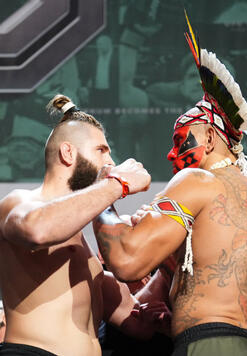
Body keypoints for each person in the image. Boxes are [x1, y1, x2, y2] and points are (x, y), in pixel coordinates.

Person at [93, 14, 247, 356]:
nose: (171, 153)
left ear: (209, 137)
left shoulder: (198, 180)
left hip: (211, 345)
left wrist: (101, 191)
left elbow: (126, 260)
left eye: (181, 140)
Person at [0, 93, 162, 356]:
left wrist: (167, 265)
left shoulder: (83, 248)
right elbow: (36, 230)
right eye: (101, 150)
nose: (110, 162)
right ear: (68, 152)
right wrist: (116, 184)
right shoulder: (19, 201)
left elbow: (136, 324)